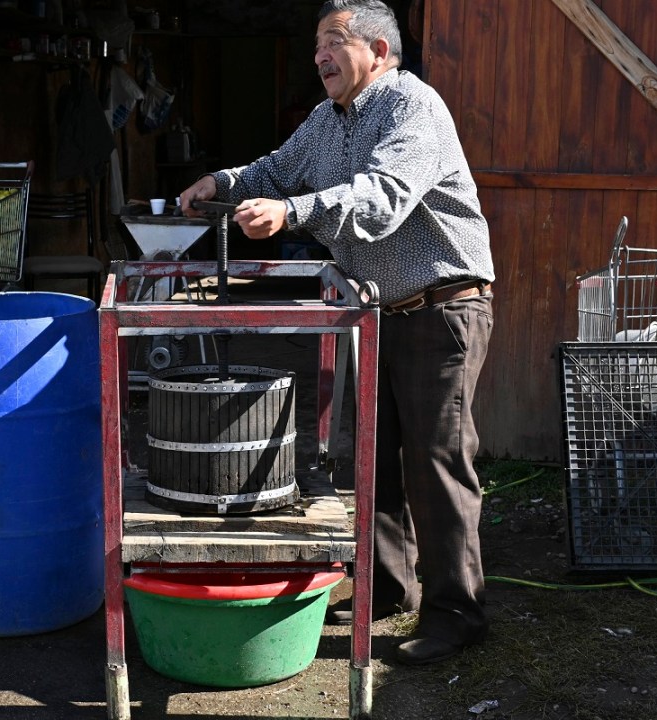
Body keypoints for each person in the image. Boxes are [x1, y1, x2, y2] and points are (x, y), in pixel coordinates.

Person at [179, 0, 495, 666]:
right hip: (380, 311)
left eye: (335, 40)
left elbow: (381, 198)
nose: (320, 54)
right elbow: (275, 169)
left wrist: (292, 211)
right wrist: (222, 182)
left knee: (436, 462)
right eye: (317, 43)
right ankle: (387, 589)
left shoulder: (412, 107)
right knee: (373, 457)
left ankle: (457, 614)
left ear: (378, 51)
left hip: (442, 309)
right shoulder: (327, 119)